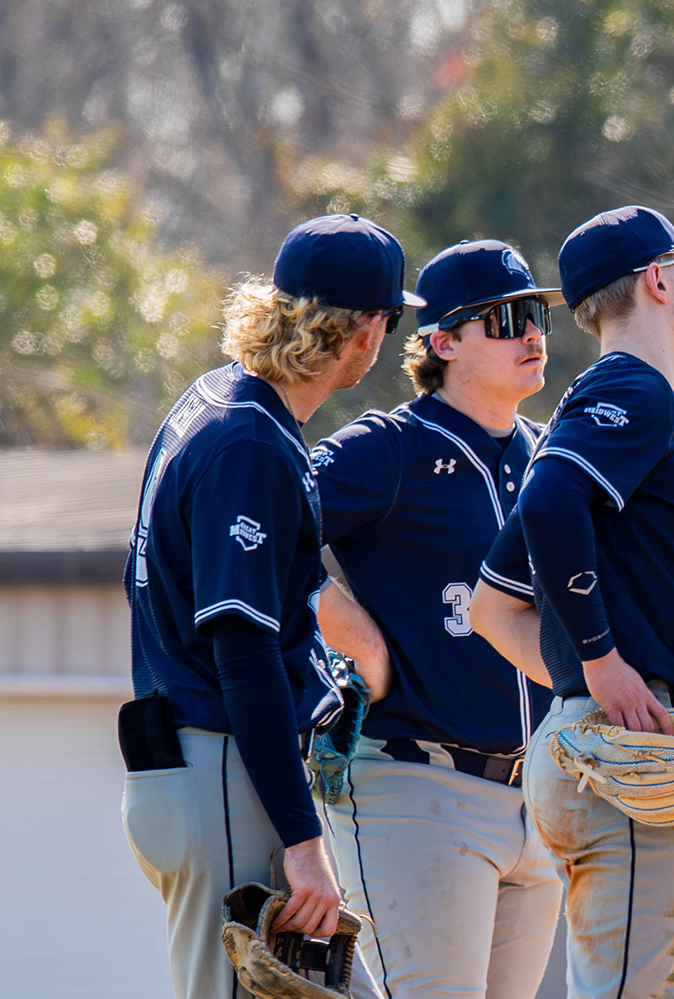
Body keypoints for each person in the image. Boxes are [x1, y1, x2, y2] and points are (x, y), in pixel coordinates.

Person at [120, 214, 418, 999]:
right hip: (218, 767)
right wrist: (302, 838)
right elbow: (242, 654)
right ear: (366, 331)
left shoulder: (217, 398)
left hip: (199, 765)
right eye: (388, 318)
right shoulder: (249, 441)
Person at [309, 239, 563, 999]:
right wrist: (358, 642)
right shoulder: (390, 449)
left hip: (538, 796)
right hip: (420, 788)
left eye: (537, 316)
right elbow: (244, 534)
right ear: (442, 342)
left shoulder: (548, 456)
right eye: (506, 319)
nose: (531, 334)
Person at [515, 205, 674, 999]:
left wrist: (575, 693)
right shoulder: (632, 389)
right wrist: (599, 664)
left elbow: (490, 599)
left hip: (597, 736)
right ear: (656, 279)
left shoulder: (585, 409)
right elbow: (549, 506)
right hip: (622, 743)